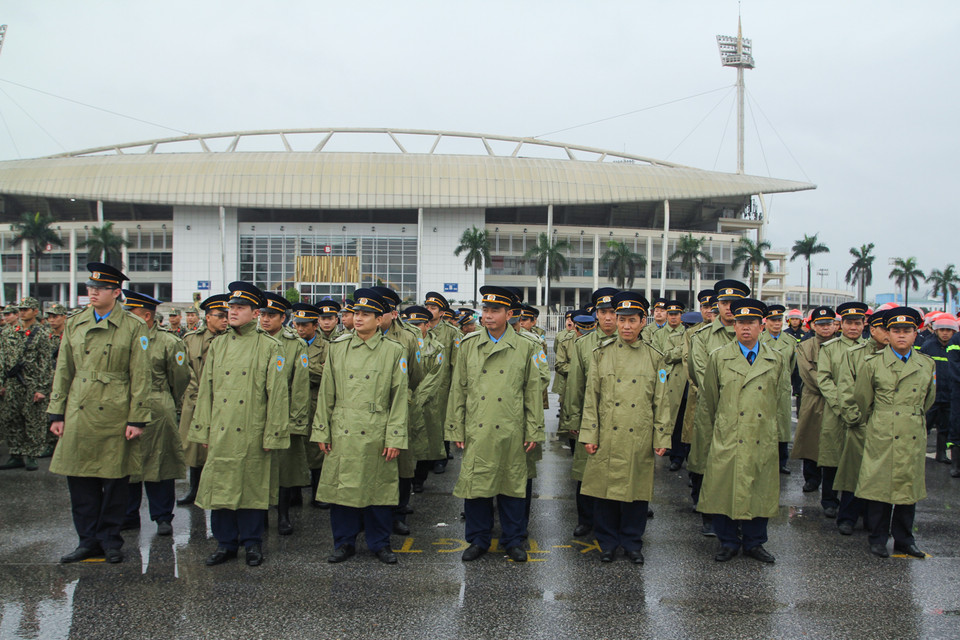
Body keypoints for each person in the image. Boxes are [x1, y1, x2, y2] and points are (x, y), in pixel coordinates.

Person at [48, 263, 151, 564]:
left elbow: (141, 376)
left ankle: (110, 540)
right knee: (80, 480)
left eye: (100, 288)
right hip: (79, 407)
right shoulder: (75, 322)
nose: (92, 292)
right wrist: (57, 412)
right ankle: (87, 540)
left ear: (116, 292)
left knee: (115, 481)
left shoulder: (133, 326)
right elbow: (64, 368)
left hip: (116, 411)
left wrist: (137, 417)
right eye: (90, 288)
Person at [189, 282, 290, 567]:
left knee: (251, 489)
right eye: (230, 308)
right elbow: (206, 389)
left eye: (239, 308)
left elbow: (277, 395)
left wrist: (273, 434)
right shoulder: (218, 344)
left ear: (255, 312)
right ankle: (224, 543)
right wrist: (204, 428)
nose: (231, 312)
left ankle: (252, 543)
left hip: (251, 429)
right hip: (221, 428)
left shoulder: (270, 346)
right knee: (220, 488)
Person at [446, 286, 544, 562]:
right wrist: (456, 426)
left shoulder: (526, 346)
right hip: (478, 425)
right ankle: (478, 539)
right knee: (477, 486)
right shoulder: (468, 345)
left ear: (509, 314)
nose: (487, 315)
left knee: (512, 485)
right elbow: (459, 389)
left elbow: (532, 391)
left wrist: (534, 429)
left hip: (512, 425)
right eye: (485, 310)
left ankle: (513, 540)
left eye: (494, 311)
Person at [312, 289, 409, 565]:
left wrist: (395, 438)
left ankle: (379, 543)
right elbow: (326, 393)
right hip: (343, 428)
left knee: (378, 490)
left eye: (366, 314)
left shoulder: (394, 351)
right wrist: (322, 430)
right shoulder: (338, 347)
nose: (358, 318)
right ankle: (343, 542)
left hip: (377, 430)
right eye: (356, 313)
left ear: (380, 320)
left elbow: (399, 398)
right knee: (342, 490)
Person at [696, 298, 791, 563]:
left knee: (760, 490)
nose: (745, 328)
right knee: (724, 487)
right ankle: (727, 541)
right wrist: (716, 431)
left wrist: (779, 435)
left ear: (762, 326)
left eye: (751, 323)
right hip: (729, 432)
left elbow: (780, 399)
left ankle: (755, 542)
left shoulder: (776, 358)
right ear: (734, 326)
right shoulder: (719, 357)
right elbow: (710, 401)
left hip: (762, 434)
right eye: (740, 323)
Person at [580, 291, 672, 564]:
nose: (626, 326)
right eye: (622, 320)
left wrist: (661, 436)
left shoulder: (656, 357)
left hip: (639, 433)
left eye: (632, 320)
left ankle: (632, 542)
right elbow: (591, 398)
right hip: (607, 431)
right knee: (605, 493)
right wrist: (589, 433)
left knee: (636, 493)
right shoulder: (601, 354)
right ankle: (607, 542)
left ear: (644, 321)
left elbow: (661, 400)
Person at [852, 308, 935, 558]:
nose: (901, 335)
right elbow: (862, 398)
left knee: (907, 489)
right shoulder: (872, 363)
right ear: (887, 334)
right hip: (883, 428)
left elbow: (927, 400)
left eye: (907, 331)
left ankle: (904, 539)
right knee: (880, 487)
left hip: (911, 430)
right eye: (896, 330)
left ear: (915, 333)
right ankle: (877, 538)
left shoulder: (925, 363)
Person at [118, 290, 189, 536]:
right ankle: (127, 515)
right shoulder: (123, 338)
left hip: (158, 405)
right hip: (127, 406)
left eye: (132, 313)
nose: (127, 317)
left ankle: (162, 517)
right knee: (128, 464)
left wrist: (165, 397)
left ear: (147, 316)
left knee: (160, 463)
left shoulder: (169, 341)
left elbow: (180, 378)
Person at [688, 279, 750, 537]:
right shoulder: (702, 337)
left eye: (734, 304)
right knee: (707, 462)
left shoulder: (753, 336)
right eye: (724, 303)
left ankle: (739, 515)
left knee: (741, 464)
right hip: (712, 411)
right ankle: (709, 515)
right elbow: (703, 377)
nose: (728, 308)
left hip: (746, 413)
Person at [561, 289, 619, 538]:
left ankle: (615, 522)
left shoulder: (630, 341)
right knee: (585, 471)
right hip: (589, 417)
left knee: (616, 471)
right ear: (595, 314)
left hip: (619, 419)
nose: (608, 318)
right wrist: (573, 419)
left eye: (613, 312)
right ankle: (585, 519)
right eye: (603, 312)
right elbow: (575, 384)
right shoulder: (583, 344)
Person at [258, 292, 310, 536]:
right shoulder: (254, 340)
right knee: (257, 468)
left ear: (283, 318)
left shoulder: (294, 344)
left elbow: (299, 387)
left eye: (271, 315)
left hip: (284, 413)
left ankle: (283, 515)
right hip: (256, 414)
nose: (265, 320)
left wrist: (296, 421)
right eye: (262, 315)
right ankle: (258, 516)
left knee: (283, 470)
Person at [834, 309, 889, 534]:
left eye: (891, 329)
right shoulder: (855, 353)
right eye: (884, 329)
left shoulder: (896, 355)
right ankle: (847, 516)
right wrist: (854, 416)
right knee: (854, 471)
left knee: (880, 475)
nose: (889, 334)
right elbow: (845, 387)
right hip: (861, 422)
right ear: (872, 329)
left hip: (886, 425)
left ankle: (874, 521)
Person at [175, 294, 229, 506]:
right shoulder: (191, 339)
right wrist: (196, 395)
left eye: (227, 316)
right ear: (208, 317)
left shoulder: (231, 339)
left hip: (223, 403)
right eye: (220, 316)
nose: (225, 320)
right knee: (195, 449)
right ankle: (194, 489)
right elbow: (184, 371)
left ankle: (219, 491)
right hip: (196, 402)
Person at [816, 302, 867, 519]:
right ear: (840, 325)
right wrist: (841, 406)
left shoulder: (871, 349)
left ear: (864, 324)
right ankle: (829, 499)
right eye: (849, 323)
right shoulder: (830, 348)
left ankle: (857, 504)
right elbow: (824, 379)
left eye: (857, 323)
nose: (853, 327)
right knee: (832, 456)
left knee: (858, 460)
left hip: (862, 413)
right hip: (835, 411)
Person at [0, 297, 56, 472]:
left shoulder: (41, 334)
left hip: (31, 383)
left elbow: (46, 363)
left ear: (35, 312)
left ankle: (32, 455)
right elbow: (1, 359)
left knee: (33, 420)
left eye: (26, 309)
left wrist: (42, 388)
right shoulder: (8, 332)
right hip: (11, 383)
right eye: (21, 309)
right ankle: (16, 454)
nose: (22, 312)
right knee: (11, 419)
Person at [790, 306, 837, 493]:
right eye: (821, 324)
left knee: (833, 441)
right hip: (813, 397)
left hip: (836, 399)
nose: (825, 328)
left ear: (835, 325)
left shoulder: (843, 347)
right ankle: (811, 478)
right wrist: (831, 387)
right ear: (813, 326)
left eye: (829, 324)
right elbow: (807, 374)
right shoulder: (804, 346)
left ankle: (831, 485)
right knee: (810, 438)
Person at [291, 303, 330, 508]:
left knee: (316, 450)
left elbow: (327, 376)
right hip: (294, 403)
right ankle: (294, 493)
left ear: (315, 326)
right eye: (297, 324)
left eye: (305, 325)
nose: (300, 329)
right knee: (294, 449)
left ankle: (318, 493)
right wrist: (313, 369)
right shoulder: (290, 343)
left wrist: (300, 367)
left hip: (315, 402)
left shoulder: (326, 347)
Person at [423, 291, 461, 474]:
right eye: (427, 307)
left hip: (443, 385)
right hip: (423, 385)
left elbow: (457, 363)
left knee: (441, 422)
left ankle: (441, 457)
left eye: (433, 308)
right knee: (424, 423)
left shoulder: (451, 332)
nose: (429, 311)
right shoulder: (419, 329)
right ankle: (425, 459)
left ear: (442, 312)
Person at [651, 301, 688, 471]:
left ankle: (677, 455)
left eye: (676, 314)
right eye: (670, 314)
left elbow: (685, 352)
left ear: (681, 315)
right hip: (663, 377)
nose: (673, 317)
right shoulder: (659, 333)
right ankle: (664, 444)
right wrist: (676, 353)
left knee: (679, 417)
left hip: (681, 380)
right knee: (663, 414)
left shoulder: (687, 332)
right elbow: (659, 354)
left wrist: (671, 353)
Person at [761, 304, 795, 474]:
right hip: (764, 385)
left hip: (782, 386)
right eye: (773, 320)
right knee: (764, 422)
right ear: (766, 321)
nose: (776, 324)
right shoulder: (759, 339)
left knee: (782, 424)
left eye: (779, 320)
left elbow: (792, 365)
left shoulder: (790, 341)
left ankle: (782, 461)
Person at [920, 315, 956, 464]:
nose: (945, 333)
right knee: (924, 426)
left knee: (945, 427)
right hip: (932, 395)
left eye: (948, 330)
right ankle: (917, 453)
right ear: (936, 330)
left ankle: (941, 454)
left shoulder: (954, 347)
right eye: (942, 330)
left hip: (948, 394)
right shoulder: (928, 346)